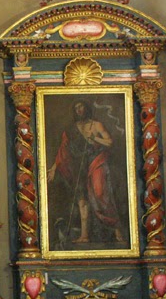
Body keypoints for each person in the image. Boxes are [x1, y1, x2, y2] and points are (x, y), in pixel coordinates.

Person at [47, 100, 124, 245]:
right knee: (82, 200)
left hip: (95, 162)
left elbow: (109, 142)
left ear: (86, 108)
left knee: (101, 194)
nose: (78, 110)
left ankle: (117, 229)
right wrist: (53, 168)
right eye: (76, 108)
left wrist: (94, 138)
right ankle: (84, 235)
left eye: (81, 106)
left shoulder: (96, 125)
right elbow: (62, 151)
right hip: (79, 166)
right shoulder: (71, 129)